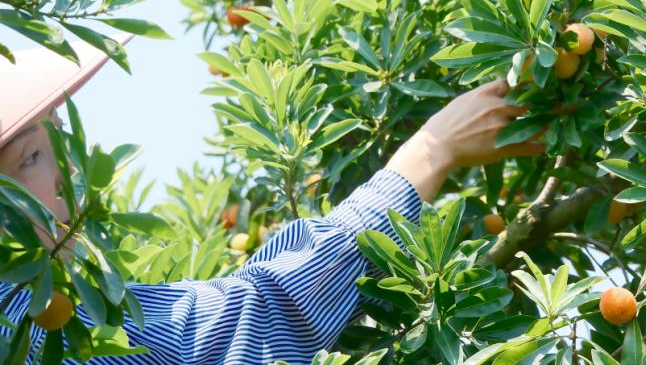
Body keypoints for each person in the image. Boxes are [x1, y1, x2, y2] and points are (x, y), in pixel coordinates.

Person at [0, 39, 544, 363]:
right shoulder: (35, 330)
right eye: (32, 157)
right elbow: (249, 316)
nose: (70, 172)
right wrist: (428, 152)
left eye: (61, 144)